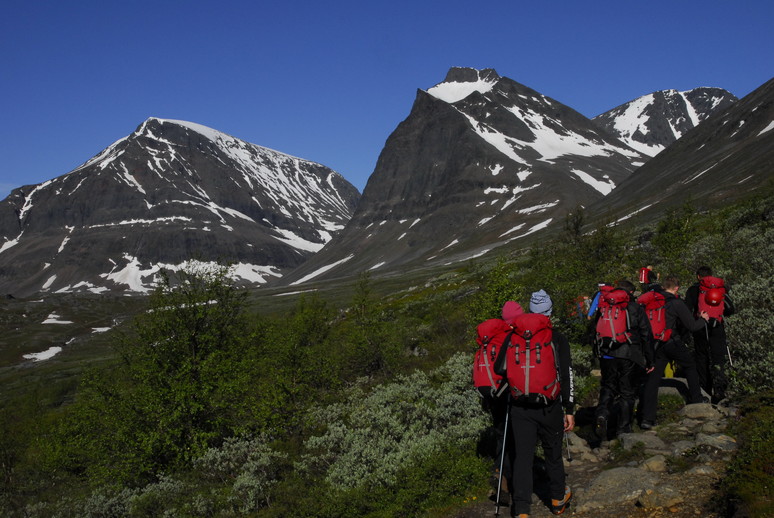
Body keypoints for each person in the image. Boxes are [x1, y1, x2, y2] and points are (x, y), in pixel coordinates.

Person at [496, 289, 575, 517]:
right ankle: (558, 499)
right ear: (549, 313)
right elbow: (567, 374)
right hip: (550, 406)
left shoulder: (513, 337)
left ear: (530, 311)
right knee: (552, 454)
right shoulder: (557, 338)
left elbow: (498, 368)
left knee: (523, 457)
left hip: (520, 407)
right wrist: (569, 408)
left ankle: (521, 509)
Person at [640, 276, 709, 429]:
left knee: (653, 380)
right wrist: (703, 319)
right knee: (690, 365)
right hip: (672, 342)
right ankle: (697, 399)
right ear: (676, 288)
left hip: (655, 345)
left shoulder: (651, 302)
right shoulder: (677, 303)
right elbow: (692, 326)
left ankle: (647, 419)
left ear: (663, 287)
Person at [592, 280, 654, 439]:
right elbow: (646, 334)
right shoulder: (635, 308)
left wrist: (596, 353)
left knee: (608, 386)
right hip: (629, 355)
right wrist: (649, 359)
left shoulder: (605, 307)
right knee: (627, 392)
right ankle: (623, 429)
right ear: (630, 293)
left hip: (607, 354)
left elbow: (594, 330)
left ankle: (602, 413)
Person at [685, 266, 735, 404]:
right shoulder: (720, 288)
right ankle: (719, 390)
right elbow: (730, 310)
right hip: (718, 327)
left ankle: (704, 389)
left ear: (698, 277)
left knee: (702, 357)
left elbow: (688, 309)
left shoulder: (694, 289)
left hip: (700, 327)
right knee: (718, 358)